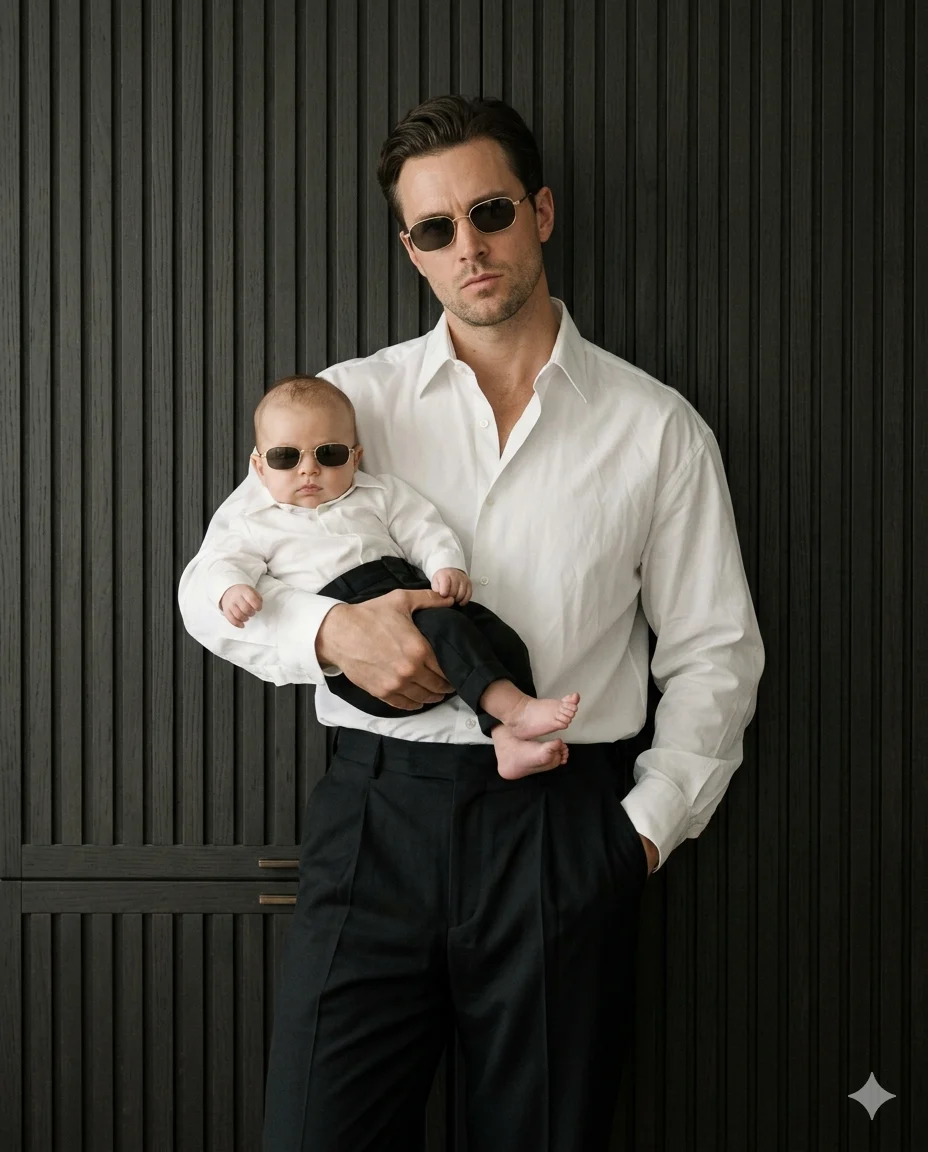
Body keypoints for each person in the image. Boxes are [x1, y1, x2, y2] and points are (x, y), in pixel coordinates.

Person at [178, 94, 765, 1152]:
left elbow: (715, 653)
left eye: (489, 212)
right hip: (374, 822)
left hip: (559, 831)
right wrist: (322, 636)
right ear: (412, 250)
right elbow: (209, 581)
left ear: (539, 211)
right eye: (435, 230)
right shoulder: (336, 411)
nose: (469, 248)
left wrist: (639, 835)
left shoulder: (654, 426)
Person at [201, 372, 581, 778]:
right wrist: (231, 589)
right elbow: (219, 561)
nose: (308, 470)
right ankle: (518, 711)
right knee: (449, 630)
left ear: (356, 456)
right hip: (352, 635)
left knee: (496, 634)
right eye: (285, 457)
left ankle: (507, 741)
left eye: (328, 454)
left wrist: (444, 565)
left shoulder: (378, 493)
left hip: (407, 589)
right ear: (259, 468)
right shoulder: (253, 520)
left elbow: (424, 529)